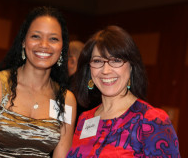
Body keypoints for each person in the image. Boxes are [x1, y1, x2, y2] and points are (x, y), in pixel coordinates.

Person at [0, 6, 77, 158]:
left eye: (53, 38)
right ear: (23, 42)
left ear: (62, 47)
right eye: (36, 36)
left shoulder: (66, 100)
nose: (44, 45)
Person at [66, 25, 180, 157]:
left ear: (131, 67)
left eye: (116, 60)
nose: (106, 70)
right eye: (97, 61)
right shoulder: (85, 119)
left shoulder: (151, 120)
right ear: (89, 69)